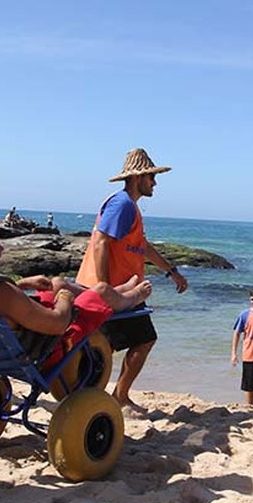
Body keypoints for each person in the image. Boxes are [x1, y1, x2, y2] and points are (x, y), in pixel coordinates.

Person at [76, 148, 188, 411]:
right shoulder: (122, 204)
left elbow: (143, 246)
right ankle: (119, 397)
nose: (155, 183)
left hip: (120, 292)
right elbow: (102, 242)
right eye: (151, 177)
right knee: (145, 338)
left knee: (105, 345)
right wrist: (104, 287)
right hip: (115, 293)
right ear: (138, 178)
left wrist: (171, 272)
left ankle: (99, 395)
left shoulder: (130, 207)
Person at [0, 220, 151, 357]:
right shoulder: (0, 290)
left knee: (59, 282)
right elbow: (58, 324)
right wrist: (65, 297)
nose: (2, 248)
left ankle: (122, 290)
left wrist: (22, 284)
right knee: (100, 291)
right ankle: (130, 297)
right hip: (42, 348)